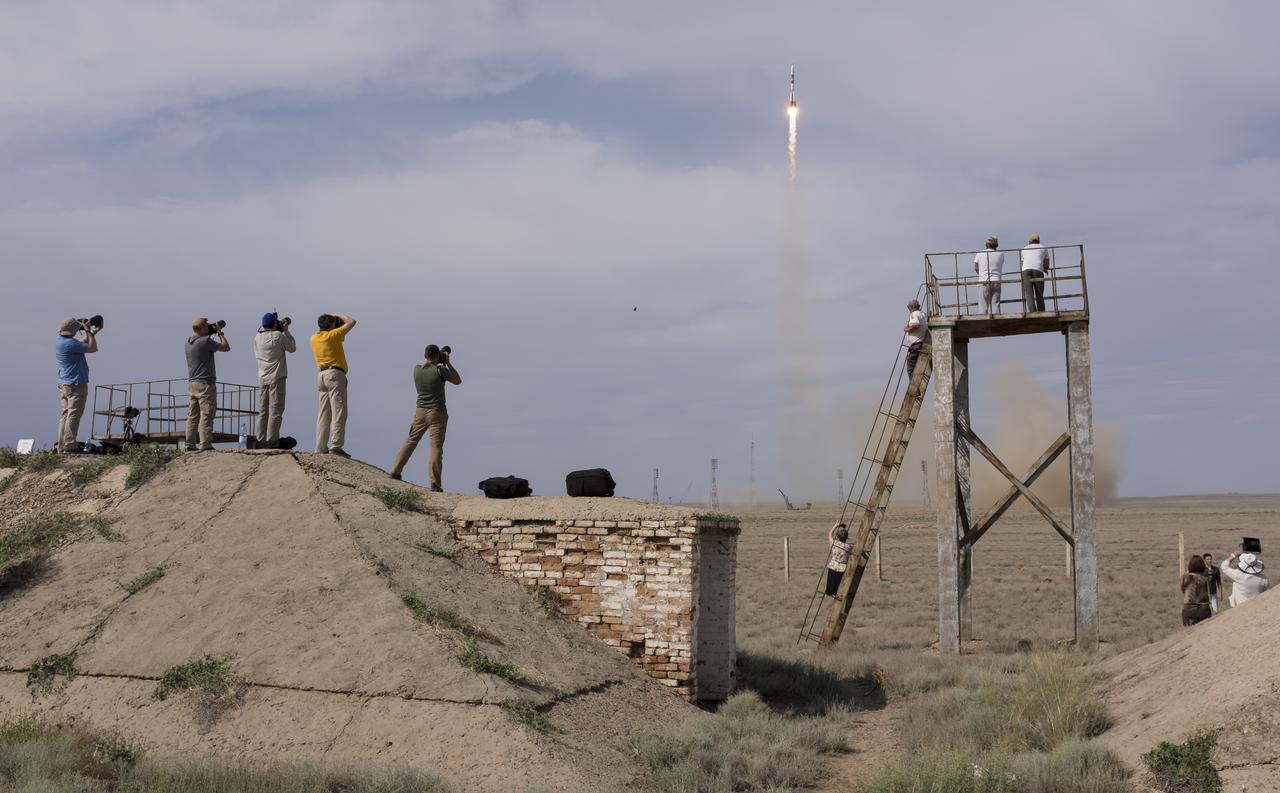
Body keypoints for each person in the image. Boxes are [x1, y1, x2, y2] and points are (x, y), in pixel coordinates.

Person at [389, 345, 462, 491]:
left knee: (411, 441)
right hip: (437, 412)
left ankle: (395, 471)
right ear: (437, 356)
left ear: (425, 355)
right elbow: (457, 380)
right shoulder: (440, 370)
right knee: (435, 447)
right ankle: (435, 483)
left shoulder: (417, 370)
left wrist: (439, 359)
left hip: (420, 412)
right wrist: (447, 362)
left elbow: (428, 365)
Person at [311, 312, 356, 457]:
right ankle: (336, 445)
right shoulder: (333, 335)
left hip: (321, 376)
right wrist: (337, 314)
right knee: (339, 411)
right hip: (335, 375)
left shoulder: (313, 338)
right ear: (331, 325)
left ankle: (320, 446)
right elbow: (351, 321)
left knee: (324, 413)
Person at [185, 318, 230, 451]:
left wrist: (209, 331)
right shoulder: (206, 341)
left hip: (193, 383)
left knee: (193, 416)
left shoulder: (188, 342)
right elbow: (226, 347)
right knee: (207, 414)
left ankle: (189, 444)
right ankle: (205, 444)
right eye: (207, 325)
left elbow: (202, 342)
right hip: (205, 384)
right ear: (203, 327)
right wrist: (220, 332)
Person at [55, 318, 98, 453]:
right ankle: (69, 445)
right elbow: (93, 348)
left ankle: (61, 446)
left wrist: (91, 333)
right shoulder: (70, 344)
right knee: (74, 414)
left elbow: (82, 343)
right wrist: (88, 332)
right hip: (76, 384)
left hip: (64, 383)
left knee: (66, 414)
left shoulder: (61, 341)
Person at [253, 312, 296, 448]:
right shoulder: (278, 336)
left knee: (263, 410)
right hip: (276, 377)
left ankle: (260, 440)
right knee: (275, 409)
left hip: (262, 377)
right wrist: (286, 332)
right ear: (274, 324)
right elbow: (292, 348)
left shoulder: (257, 337)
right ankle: (272, 440)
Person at [974, 235, 1004, 314]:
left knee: (983, 305)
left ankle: (982, 321)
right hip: (996, 281)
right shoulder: (1001, 254)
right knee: (995, 304)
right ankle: (997, 320)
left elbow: (976, 268)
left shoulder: (979, 254)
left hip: (984, 281)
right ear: (996, 245)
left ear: (986, 244)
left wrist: (982, 274)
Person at [1020, 233, 1049, 312]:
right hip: (1038, 270)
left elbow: (1023, 263)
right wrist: (1045, 269)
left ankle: (1032, 312)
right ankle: (1041, 311)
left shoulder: (1024, 249)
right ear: (1038, 241)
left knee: (1029, 295)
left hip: (1025, 270)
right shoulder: (1043, 248)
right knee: (1039, 294)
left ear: (1029, 241)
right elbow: (1046, 263)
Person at [1179, 555, 1212, 626]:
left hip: (1189, 609)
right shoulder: (1205, 577)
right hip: (1204, 609)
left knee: (1191, 634)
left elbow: (1183, 591)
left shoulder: (1184, 577)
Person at [824, 523, 853, 596]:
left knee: (830, 580)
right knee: (837, 582)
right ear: (846, 538)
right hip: (842, 567)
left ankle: (828, 592)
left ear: (837, 536)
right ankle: (834, 593)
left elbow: (830, 534)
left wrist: (836, 525)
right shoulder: (848, 547)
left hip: (833, 565)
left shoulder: (834, 543)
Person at [904, 299, 928, 376]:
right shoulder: (923, 314)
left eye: (909, 307)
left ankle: (912, 385)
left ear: (912, 307)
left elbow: (916, 324)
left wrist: (907, 329)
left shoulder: (914, 314)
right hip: (923, 343)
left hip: (916, 345)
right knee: (918, 367)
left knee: (910, 368)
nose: (909, 309)